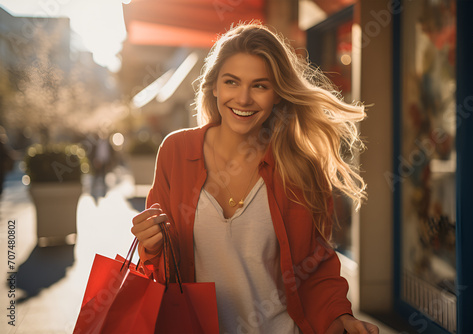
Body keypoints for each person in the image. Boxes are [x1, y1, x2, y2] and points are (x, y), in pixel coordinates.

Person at [131, 22, 379, 334]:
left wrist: (338, 315)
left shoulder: (300, 166)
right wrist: (150, 245)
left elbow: (315, 266)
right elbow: (163, 271)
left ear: (278, 95)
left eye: (260, 85)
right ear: (215, 87)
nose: (244, 99)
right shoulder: (175, 151)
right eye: (232, 82)